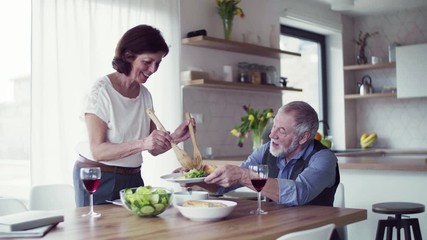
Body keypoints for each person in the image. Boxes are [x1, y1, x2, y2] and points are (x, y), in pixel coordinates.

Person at [73, 24, 193, 207]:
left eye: (158, 63)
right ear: (128, 56)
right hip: (98, 178)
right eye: (147, 62)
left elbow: (153, 148)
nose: (153, 69)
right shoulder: (101, 92)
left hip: (132, 178)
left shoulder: (145, 94)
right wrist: (144, 143)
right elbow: (98, 150)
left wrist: (175, 136)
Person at [189, 101, 340, 206]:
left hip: (314, 233)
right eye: (274, 126)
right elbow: (226, 185)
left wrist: (244, 175)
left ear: (303, 137)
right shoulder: (267, 150)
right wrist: (195, 178)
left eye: (281, 131)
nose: (271, 135)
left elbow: (298, 193)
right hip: (278, 229)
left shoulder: (324, 158)